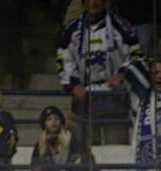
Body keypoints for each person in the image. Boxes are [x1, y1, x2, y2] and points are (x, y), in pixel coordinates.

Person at [57, 0, 139, 146]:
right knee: (85, 150)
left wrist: (123, 74)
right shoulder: (71, 30)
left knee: (117, 147)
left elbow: (136, 55)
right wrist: (73, 85)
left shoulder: (121, 26)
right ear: (84, 3)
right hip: (85, 97)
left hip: (114, 96)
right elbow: (64, 59)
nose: (95, 2)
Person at [30, 105, 81, 171]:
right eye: (49, 119)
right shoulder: (40, 144)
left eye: (56, 118)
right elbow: (35, 166)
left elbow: (76, 163)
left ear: (61, 121)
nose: (53, 121)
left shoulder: (71, 140)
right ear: (44, 123)